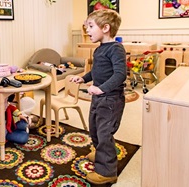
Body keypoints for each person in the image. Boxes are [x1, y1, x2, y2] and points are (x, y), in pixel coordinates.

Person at [70, 9, 126, 185]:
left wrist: (101, 89)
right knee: (94, 129)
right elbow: (96, 71)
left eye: (91, 26)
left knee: (104, 133)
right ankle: (101, 153)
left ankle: (107, 171)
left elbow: (120, 75)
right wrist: (83, 78)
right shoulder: (100, 49)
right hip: (99, 98)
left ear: (106, 28)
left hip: (110, 100)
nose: (87, 30)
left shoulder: (116, 49)